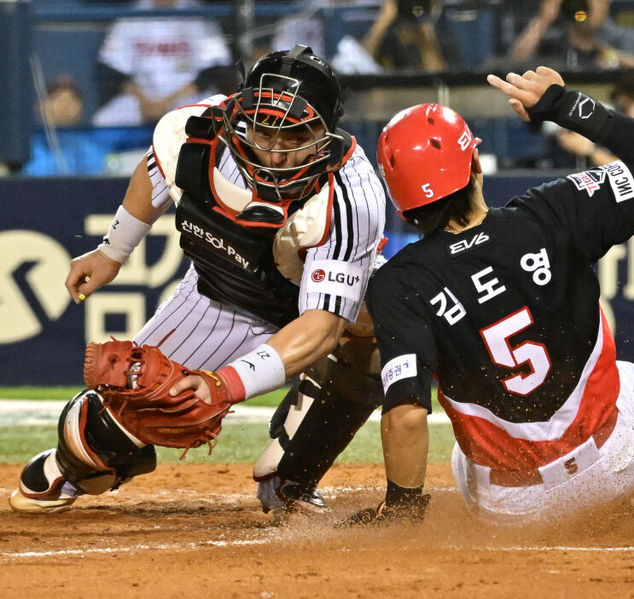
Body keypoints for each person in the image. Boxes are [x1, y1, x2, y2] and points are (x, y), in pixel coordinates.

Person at [350, 66, 634, 528]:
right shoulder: (551, 211)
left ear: (399, 202)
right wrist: (564, 106)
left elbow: (406, 418)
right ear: (474, 166)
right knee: (625, 381)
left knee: (466, 451)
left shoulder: (398, 283)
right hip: (614, 462)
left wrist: (400, 512)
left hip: (512, 509)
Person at [9, 45, 388, 516]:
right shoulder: (196, 131)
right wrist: (114, 249)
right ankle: (77, 464)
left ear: (325, 132)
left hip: (313, 308)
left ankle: (295, 471)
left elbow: (322, 326)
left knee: (381, 330)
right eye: (264, 129)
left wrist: (225, 383)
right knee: (98, 438)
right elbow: (155, 173)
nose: (273, 149)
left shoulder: (352, 193)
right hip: (218, 294)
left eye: (292, 136)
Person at [92, 0, 236, 127]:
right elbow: (111, 70)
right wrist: (144, 102)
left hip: (187, 96)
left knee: (211, 118)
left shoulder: (198, 13)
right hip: (140, 99)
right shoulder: (131, 13)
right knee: (103, 120)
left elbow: (214, 69)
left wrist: (167, 102)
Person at [508, 0, 634, 70]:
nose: (581, 9)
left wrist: (606, 53)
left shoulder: (622, 36)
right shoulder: (552, 38)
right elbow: (517, 59)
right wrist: (543, 19)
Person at [359, 0, 455, 72]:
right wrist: (384, 19)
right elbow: (358, 67)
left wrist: (425, 37)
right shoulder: (385, 34)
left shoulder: (442, 33)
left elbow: (439, 82)